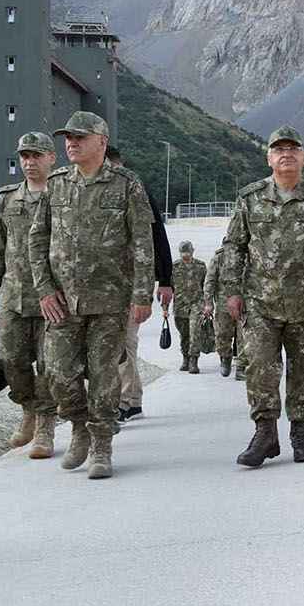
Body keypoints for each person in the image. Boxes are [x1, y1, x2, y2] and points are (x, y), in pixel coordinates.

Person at [29, 112, 155, 480]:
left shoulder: (127, 185)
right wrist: (44, 289)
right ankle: (79, 426)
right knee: (58, 373)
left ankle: (101, 443)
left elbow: (143, 243)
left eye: (80, 137)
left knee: (103, 376)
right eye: (68, 137)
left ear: (102, 141)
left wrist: (142, 294)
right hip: (63, 302)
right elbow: (37, 239)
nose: (72, 143)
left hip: (110, 300)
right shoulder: (56, 185)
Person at [218, 126, 304, 467]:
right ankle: (265, 432)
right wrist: (231, 290)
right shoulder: (250, 198)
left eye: (293, 149)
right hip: (260, 304)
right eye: (279, 149)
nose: (286, 154)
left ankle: (301, 431)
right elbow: (234, 246)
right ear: (269, 158)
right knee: (260, 367)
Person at [0, 132, 61, 458]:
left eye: (36, 155)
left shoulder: (62, 196)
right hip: (14, 297)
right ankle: (28, 408)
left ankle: (45, 426)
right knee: (10, 358)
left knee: (49, 365)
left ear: (52, 158)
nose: (29, 162)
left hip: (53, 300)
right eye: (25, 156)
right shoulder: (7, 199)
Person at [105, 145, 173, 422]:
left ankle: (126, 402)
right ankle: (130, 401)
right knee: (117, 343)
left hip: (132, 281)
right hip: (103, 284)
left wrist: (165, 280)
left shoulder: (134, 187)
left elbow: (157, 234)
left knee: (123, 342)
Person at [204, 237, 246, 380]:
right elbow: (210, 281)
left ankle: (241, 367)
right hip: (223, 304)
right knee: (222, 335)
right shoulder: (218, 257)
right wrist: (208, 303)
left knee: (244, 336)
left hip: (244, 304)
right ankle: (225, 357)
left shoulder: (247, 256)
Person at [172, 240, 208, 373]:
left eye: (187, 254)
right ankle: (185, 358)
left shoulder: (201, 266)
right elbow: (169, 289)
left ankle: (194, 359)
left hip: (196, 304)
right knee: (184, 334)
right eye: (183, 254)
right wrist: (164, 308)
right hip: (180, 305)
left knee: (195, 332)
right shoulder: (174, 267)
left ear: (192, 252)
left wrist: (208, 304)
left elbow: (207, 286)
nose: (185, 256)